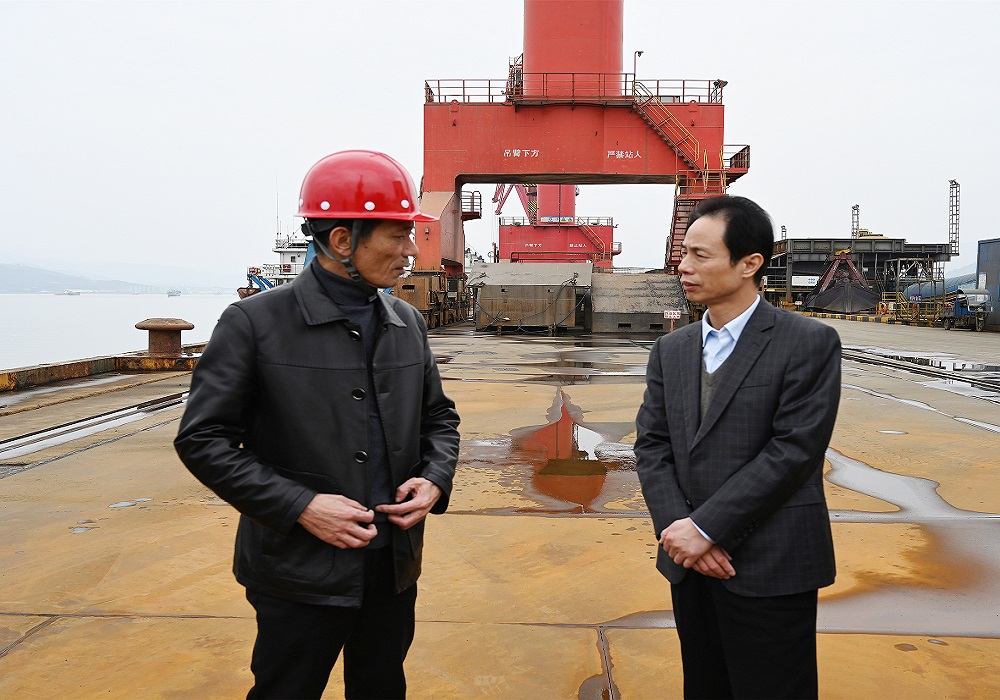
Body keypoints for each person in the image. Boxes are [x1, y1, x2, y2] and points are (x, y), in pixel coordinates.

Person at [174, 150, 460, 699]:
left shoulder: (407, 322)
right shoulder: (254, 324)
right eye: (397, 235)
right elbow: (204, 440)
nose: (411, 250)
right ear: (343, 241)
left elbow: (438, 419)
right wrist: (300, 505)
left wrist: (434, 479)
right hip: (297, 573)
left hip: (392, 567)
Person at [634, 195, 841, 699]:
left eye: (700, 255)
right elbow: (652, 446)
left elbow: (794, 451)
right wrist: (681, 533)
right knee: (705, 686)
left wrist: (707, 528)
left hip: (771, 562)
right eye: (683, 253)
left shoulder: (808, 342)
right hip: (688, 563)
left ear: (749, 264)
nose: (683, 267)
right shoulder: (671, 349)